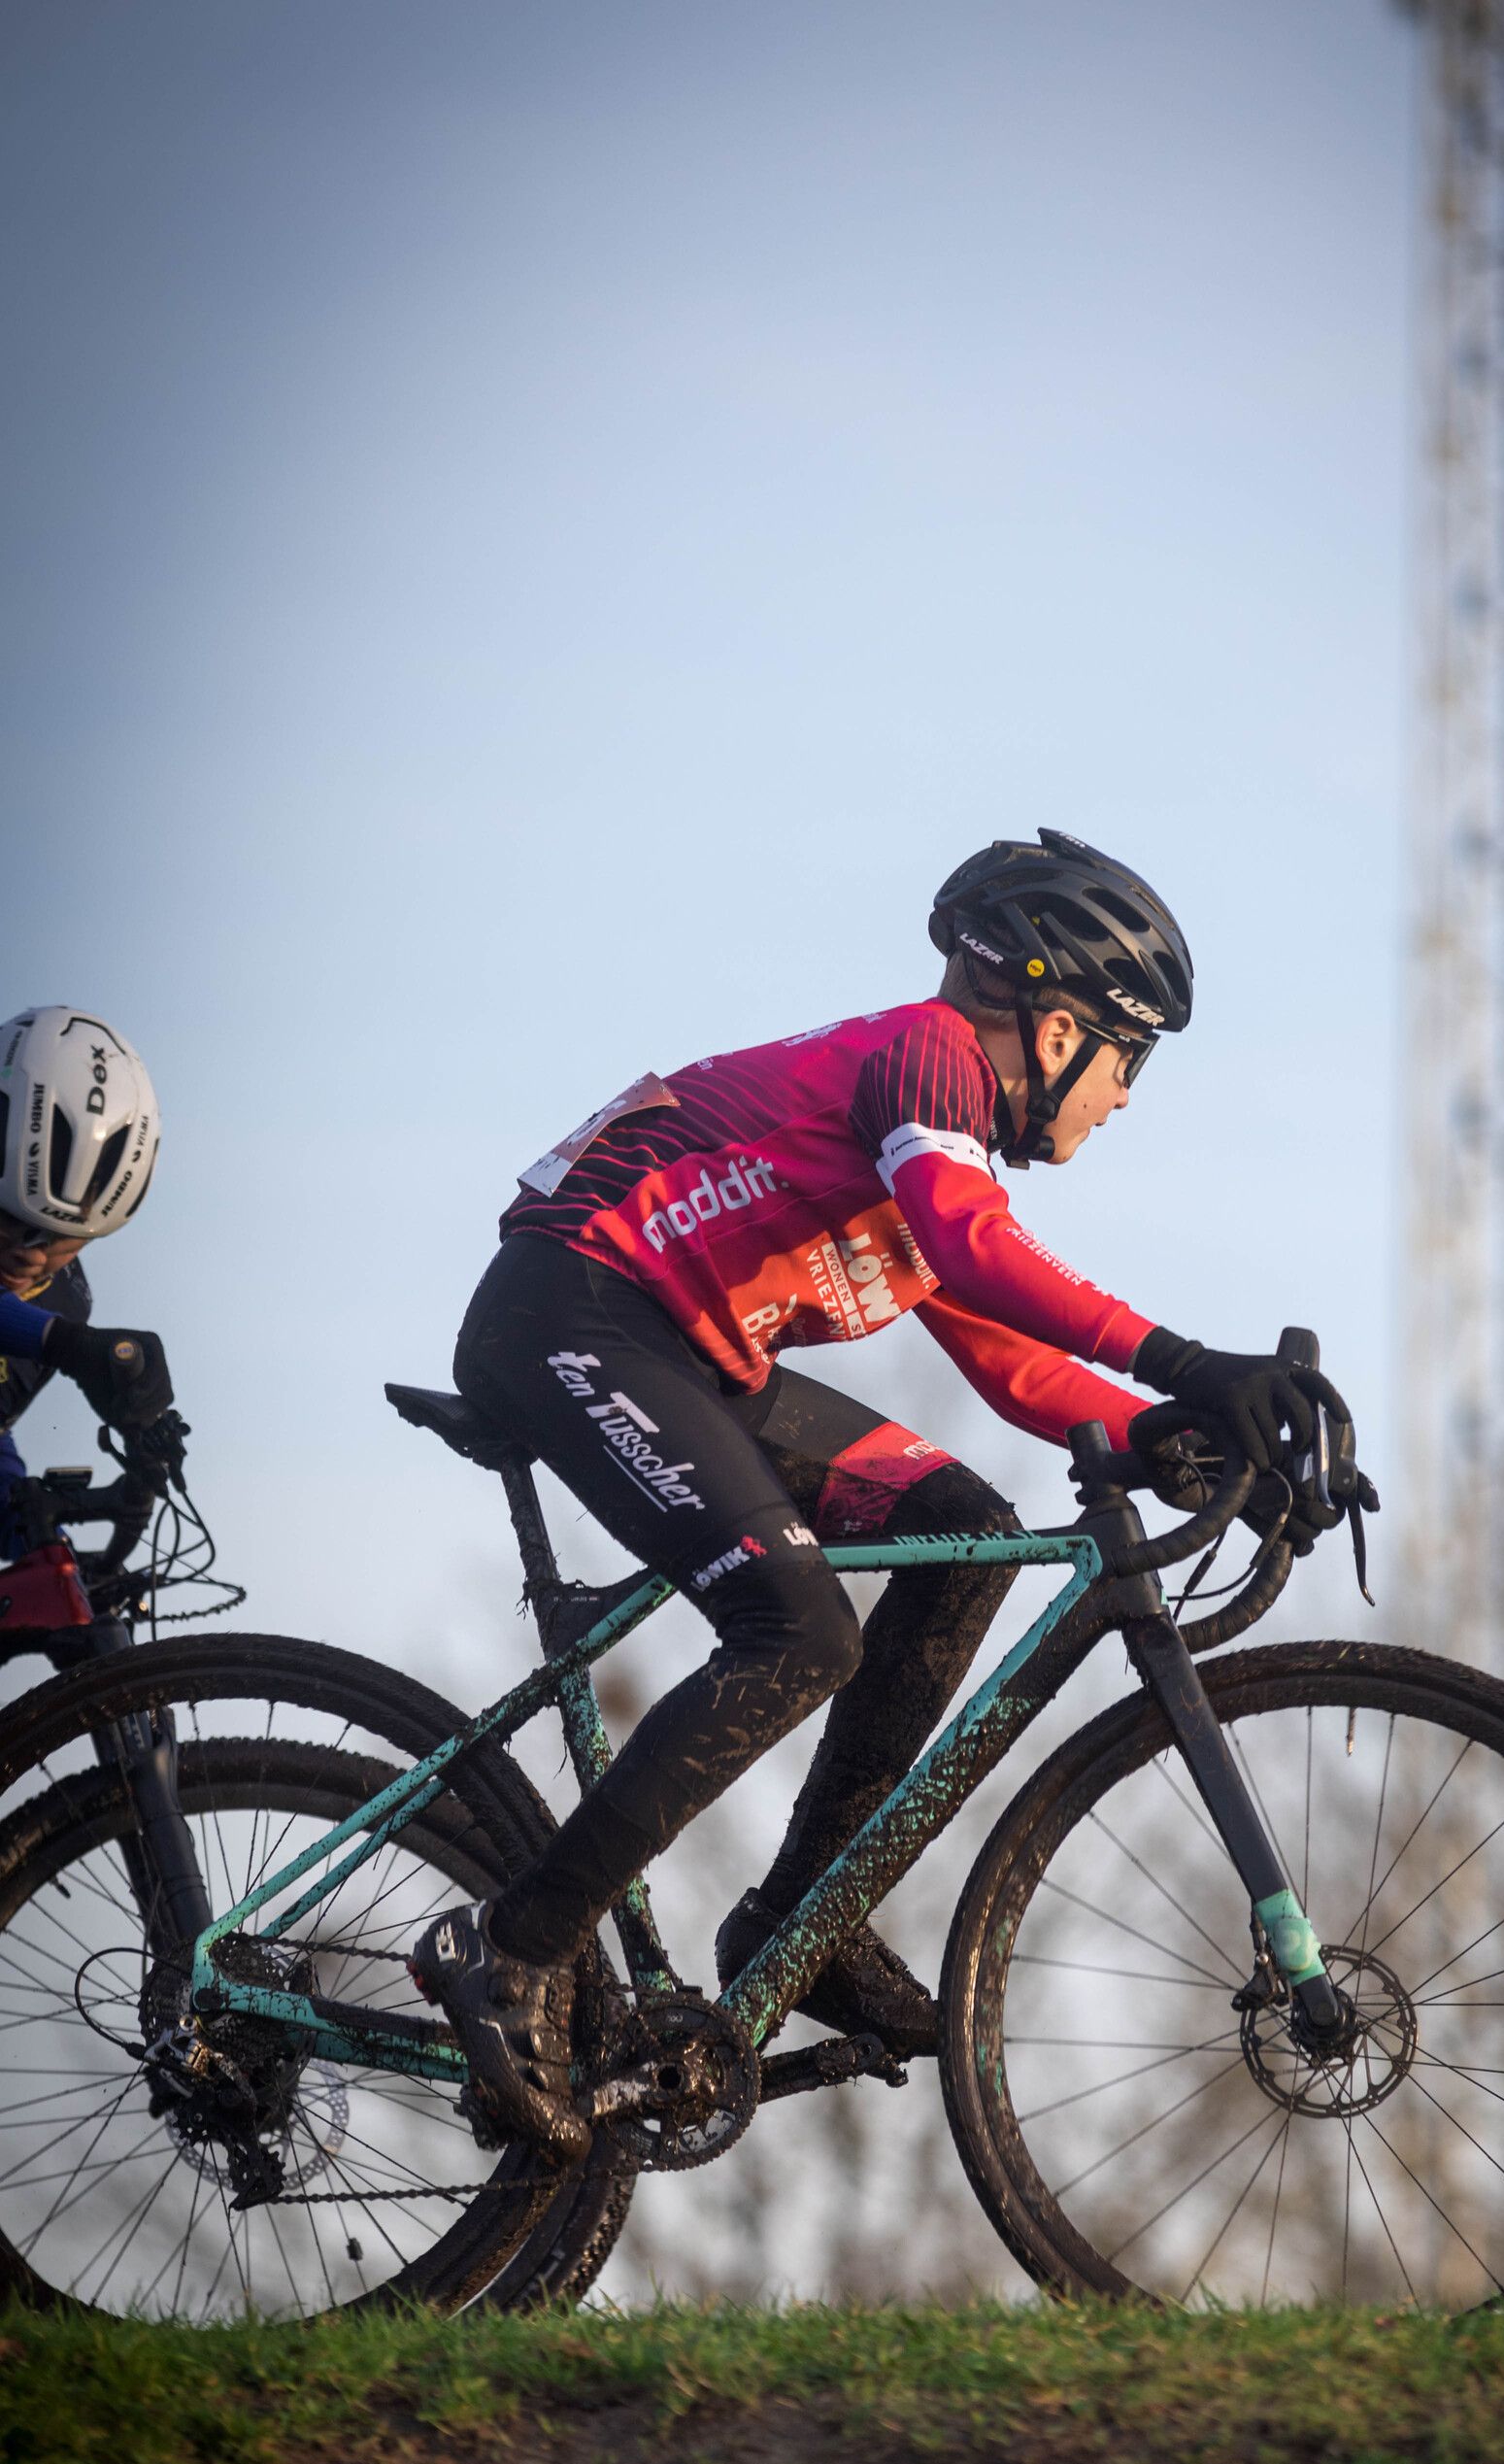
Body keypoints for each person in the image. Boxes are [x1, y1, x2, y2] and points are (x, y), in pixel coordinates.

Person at [411, 828, 1332, 2165]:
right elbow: (975, 1246)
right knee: (801, 1631)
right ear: (1060, 1022)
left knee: (962, 1543)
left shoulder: (928, 1148)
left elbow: (1005, 1353)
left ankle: (804, 1921)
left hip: (687, 1347)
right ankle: (511, 1948)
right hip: (578, 1310)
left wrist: (1174, 1443)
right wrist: (1188, 1361)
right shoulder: (927, 1059)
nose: (1125, 1100)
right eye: (1129, 1062)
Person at [0, 1008, 175, 1564]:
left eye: (58, 1240)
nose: (30, 1253)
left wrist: (51, 1548)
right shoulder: (57, 1321)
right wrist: (62, 1342)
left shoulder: (67, 1300)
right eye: (10, 1222)